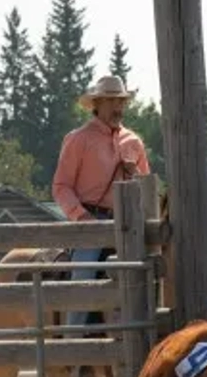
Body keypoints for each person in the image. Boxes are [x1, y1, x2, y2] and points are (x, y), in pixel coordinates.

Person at [51, 76, 151, 330]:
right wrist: (82, 217)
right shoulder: (78, 139)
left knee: (150, 273)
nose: (118, 107)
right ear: (97, 103)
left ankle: (146, 335)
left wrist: (135, 176)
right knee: (83, 278)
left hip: (127, 223)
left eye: (121, 101)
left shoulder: (134, 142)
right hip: (90, 220)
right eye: (111, 101)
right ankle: (74, 343)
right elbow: (61, 186)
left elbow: (148, 189)